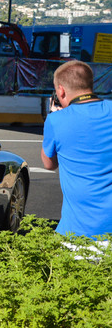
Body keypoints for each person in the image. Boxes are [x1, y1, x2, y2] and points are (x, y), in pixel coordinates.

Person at [41, 60, 112, 238]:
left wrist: (52, 117)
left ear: (61, 91)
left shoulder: (56, 121)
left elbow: (48, 164)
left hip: (77, 232)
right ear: (91, 84)